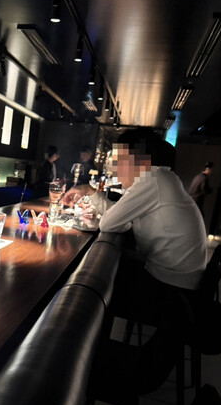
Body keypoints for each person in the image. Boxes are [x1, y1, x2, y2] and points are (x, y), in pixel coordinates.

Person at [62, 127, 207, 323]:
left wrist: (97, 203)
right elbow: (120, 220)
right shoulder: (160, 178)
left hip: (171, 290)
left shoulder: (152, 179)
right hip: (180, 280)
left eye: (118, 160)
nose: (115, 168)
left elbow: (108, 224)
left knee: (94, 288)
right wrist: (89, 190)